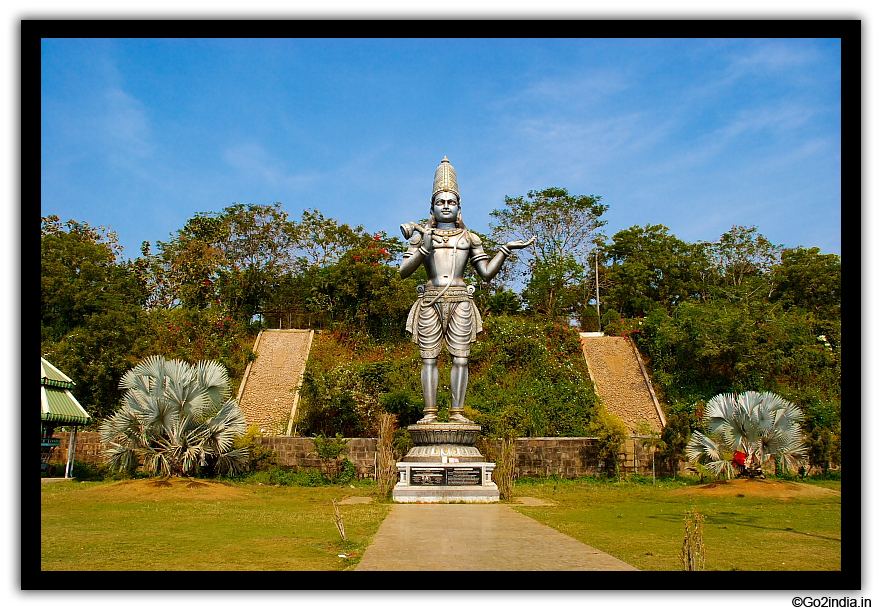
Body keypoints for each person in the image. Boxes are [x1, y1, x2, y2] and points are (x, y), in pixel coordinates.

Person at [399, 157, 535, 424]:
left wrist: (505, 250)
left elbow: (485, 273)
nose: (446, 206)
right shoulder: (421, 236)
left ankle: (457, 413)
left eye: (451, 202)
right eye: (441, 202)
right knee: (429, 359)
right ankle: (429, 414)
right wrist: (424, 247)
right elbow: (404, 271)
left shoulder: (469, 238)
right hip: (430, 300)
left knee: (461, 359)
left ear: (459, 207)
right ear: (432, 207)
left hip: (461, 300)